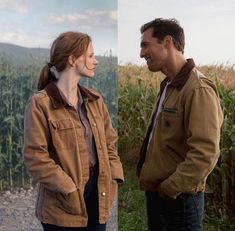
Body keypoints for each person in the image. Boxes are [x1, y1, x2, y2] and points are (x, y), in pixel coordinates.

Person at [23, 31, 124, 231]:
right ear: (72, 59)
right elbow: (35, 157)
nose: (96, 61)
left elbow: (109, 143)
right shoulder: (40, 103)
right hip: (61, 203)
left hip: (99, 193)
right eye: (90, 56)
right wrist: (69, 188)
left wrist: (113, 176)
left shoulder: (95, 100)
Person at [136, 18, 223, 231]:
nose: (141, 53)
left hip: (180, 201)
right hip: (158, 196)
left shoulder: (197, 89)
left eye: (145, 45)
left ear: (167, 42)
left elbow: (205, 152)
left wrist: (170, 188)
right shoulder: (169, 85)